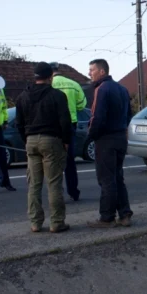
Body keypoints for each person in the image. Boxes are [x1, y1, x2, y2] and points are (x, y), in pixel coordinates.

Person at [15, 62, 73, 233]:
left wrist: (26, 139)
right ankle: (56, 223)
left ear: (35, 77)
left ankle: (35, 223)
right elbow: (65, 121)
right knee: (54, 183)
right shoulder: (57, 95)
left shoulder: (22, 97)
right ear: (50, 77)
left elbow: (19, 123)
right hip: (51, 140)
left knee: (34, 184)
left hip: (31, 141)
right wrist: (66, 140)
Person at [86, 59, 134, 229]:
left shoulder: (102, 89)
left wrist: (91, 135)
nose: (89, 73)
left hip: (106, 139)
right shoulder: (122, 89)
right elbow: (129, 114)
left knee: (106, 179)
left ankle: (106, 217)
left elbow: (97, 117)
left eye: (92, 70)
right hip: (120, 137)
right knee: (117, 177)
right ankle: (125, 213)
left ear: (102, 72)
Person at [50, 62, 87, 201]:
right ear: (59, 70)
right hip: (70, 124)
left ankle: (56, 193)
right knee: (69, 160)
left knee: (53, 161)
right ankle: (73, 191)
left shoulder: (48, 84)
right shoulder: (73, 84)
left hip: (52, 125)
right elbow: (82, 104)